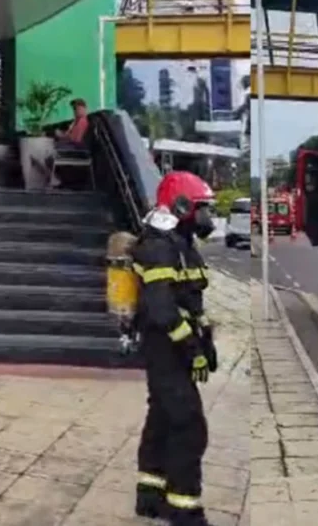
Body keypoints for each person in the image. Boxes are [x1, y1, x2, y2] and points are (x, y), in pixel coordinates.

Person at [132, 171, 219, 526]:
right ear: (181, 206)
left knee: (163, 417)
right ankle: (184, 510)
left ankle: (150, 497)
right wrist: (191, 348)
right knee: (189, 425)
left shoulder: (180, 242)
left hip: (175, 346)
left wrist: (205, 341)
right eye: (201, 208)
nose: (206, 217)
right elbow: (162, 309)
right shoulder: (158, 247)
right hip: (164, 346)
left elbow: (191, 300)